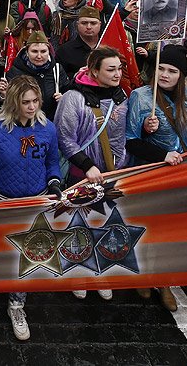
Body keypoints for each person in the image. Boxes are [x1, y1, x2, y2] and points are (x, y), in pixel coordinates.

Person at [123, 44, 187, 311]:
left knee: (170, 230)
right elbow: (131, 141)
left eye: (172, 70)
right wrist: (151, 138)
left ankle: (163, 281)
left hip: (180, 175)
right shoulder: (140, 96)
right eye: (160, 68)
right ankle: (141, 274)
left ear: (181, 75)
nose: (164, 74)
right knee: (146, 226)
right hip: (151, 172)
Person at [0, 75, 63, 340]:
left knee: (24, 256)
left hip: (35, 202)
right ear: (14, 102)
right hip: (3, 200)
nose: (32, 106)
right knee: (1, 253)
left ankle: (17, 304)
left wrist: (55, 183)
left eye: (36, 100)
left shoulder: (47, 128)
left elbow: (52, 162)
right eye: (26, 102)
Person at [53, 46, 124, 302]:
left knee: (106, 222)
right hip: (80, 174)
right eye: (111, 69)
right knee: (78, 225)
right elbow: (64, 137)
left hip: (109, 173)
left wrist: (118, 164)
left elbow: (120, 138)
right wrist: (86, 165)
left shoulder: (120, 97)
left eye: (119, 68)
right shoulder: (74, 97)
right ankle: (79, 271)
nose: (117, 74)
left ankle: (101, 271)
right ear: (94, 71)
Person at [5, 30, 64, 120]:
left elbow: (68, 93)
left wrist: (63, 99)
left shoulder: (57, 69)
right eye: (34, 51)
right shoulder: (15, 72)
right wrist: (3, 95)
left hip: (51, 123)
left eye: (43, 51)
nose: (39, 56)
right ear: (27, 52)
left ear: (49, 52)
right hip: (23, 124)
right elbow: (3, 103)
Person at [56, 6, 102, 80]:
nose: (89, 27)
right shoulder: (65, 51)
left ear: (100, 24)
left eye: (93, 23)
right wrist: (76, 76)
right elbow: (59, 78)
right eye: (84, 23)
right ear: (77, 24)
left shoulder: (108, 48)